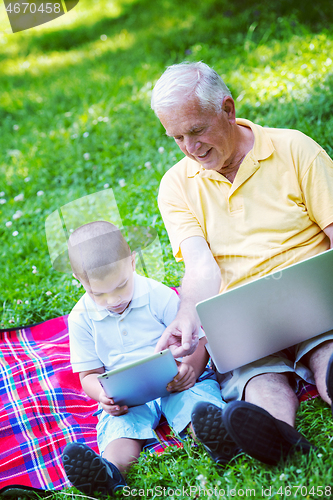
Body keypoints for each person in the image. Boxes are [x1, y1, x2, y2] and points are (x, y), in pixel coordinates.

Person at [151, 61, 333, 466]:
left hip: (316, 302)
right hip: (245, 320)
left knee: (328, 351)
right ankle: (279, 436)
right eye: (176, 137)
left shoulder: (294, 149)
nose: (190, 148)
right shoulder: (176, 186)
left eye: (196, 131)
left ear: (228, 110)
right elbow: (200, 266)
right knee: (257, 378)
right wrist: (186, 315)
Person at [61, 220, 226, 496]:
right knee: (120, 427)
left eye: (121, 286)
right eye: (99, 293)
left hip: (175, 379)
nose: (113, 299)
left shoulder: (156, 294)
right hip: (128, 396)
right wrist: (103, 396)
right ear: (80, 282)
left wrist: (191, 369)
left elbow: (196, 336)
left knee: (195, 404)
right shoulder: (80, 319)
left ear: (132, 262)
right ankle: (109, 473)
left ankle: (219, 440)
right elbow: (88, 375)